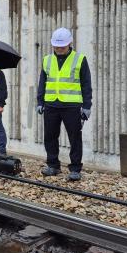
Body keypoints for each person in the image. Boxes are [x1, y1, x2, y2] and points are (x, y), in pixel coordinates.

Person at [36, 27, 92, 181]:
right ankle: (53, 165)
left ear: (70, 43)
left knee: (75, 138)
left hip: (72, 106)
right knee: (50, 136)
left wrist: (87, 106)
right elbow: (43, 82)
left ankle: (75, 168)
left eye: (62, 46)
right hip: (51, 105)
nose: (59, 49)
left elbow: (86, 84)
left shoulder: (79, 59)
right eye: (56, 46)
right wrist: (40, 101)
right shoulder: (47, 60)